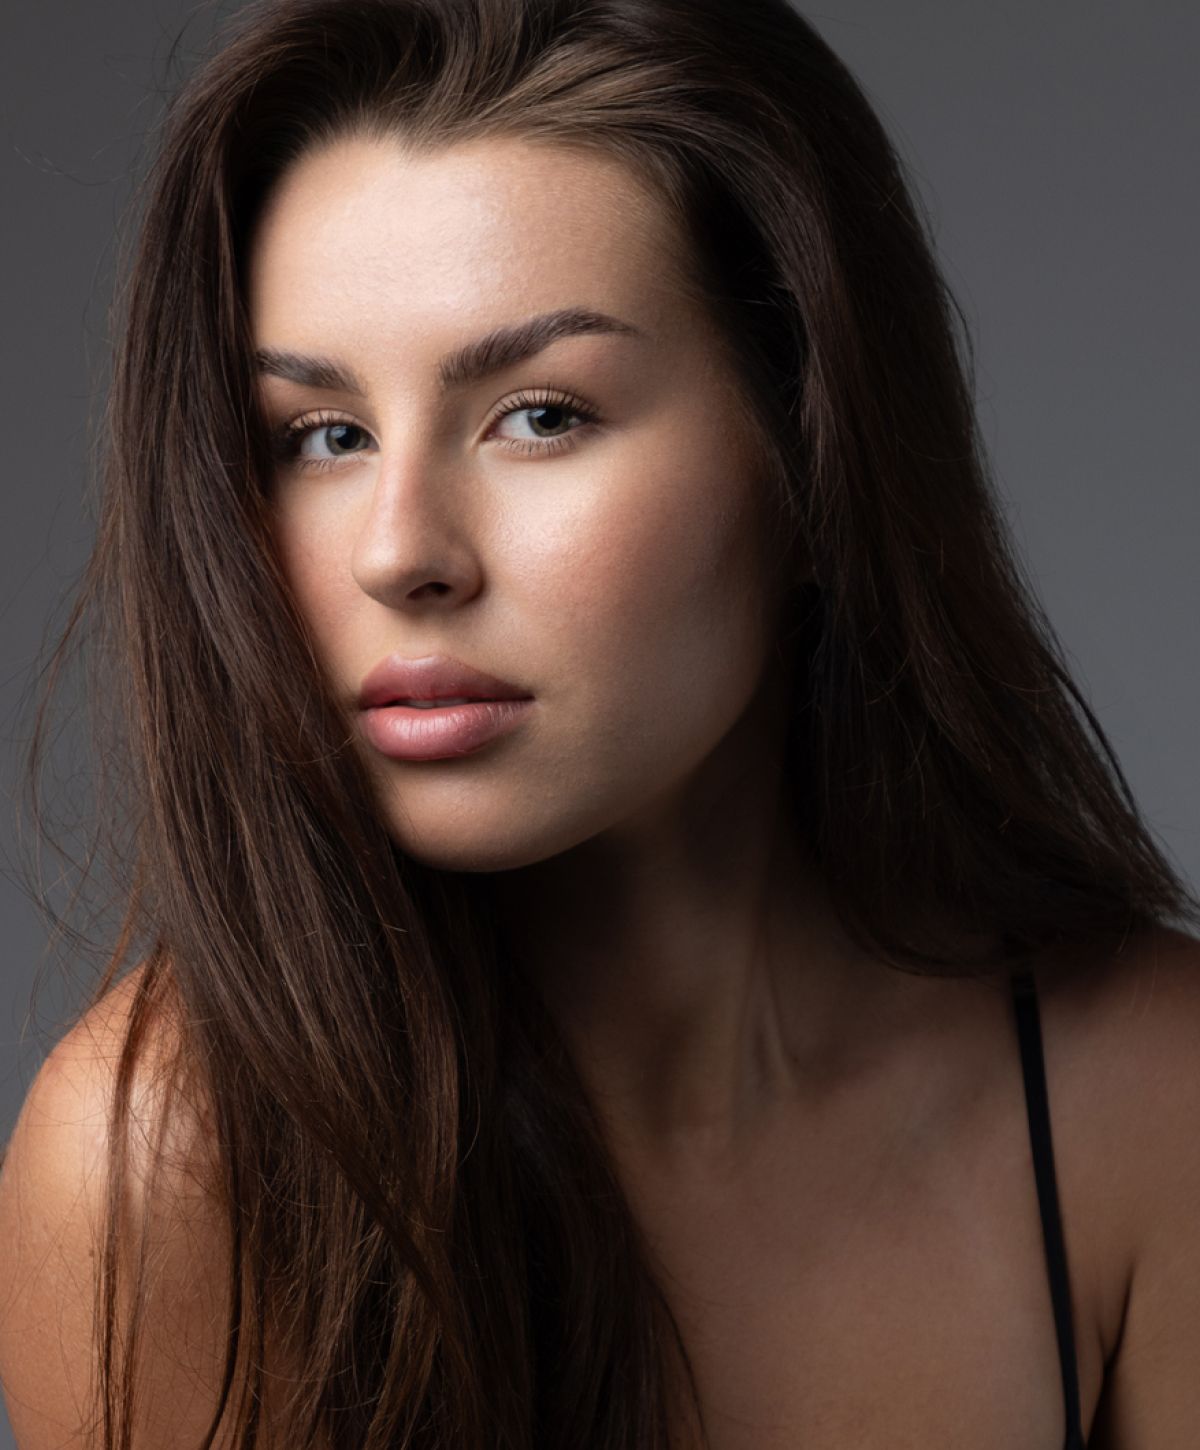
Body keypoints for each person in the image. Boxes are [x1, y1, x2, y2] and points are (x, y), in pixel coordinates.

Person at [1, 0, 1198, 1445]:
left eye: (541, 415)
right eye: (325, 435)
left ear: (812, 454)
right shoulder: (172, 1166)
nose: (398, 551)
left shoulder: (1145, 1099)